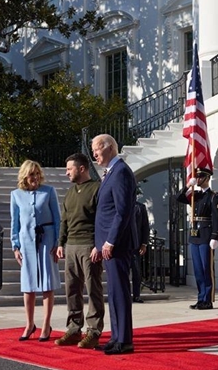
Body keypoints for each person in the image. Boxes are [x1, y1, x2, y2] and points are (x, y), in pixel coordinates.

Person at [90, 134, 138, 355]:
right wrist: (99, 244)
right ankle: (117, 337)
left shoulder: (121, 173)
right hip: (108, 245)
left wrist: (110, 241)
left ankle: (124, 340)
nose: (94, 154)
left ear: (108, 148)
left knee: (120, 292)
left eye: (96, 150)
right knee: (114, 293)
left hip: (117, 245)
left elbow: (122, 211)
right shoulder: (111, 173)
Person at [55, 153, 104, 349]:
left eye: (69, 169)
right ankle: (74, 329)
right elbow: (64, 220)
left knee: (93, 289)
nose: (66, 173)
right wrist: (61, 243)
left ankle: (94, 331)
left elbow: (102, 220)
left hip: (88, 245)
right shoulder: (69, 193)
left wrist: (98, 245)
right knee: (72, 290)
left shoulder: (97, 189)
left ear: (82, 168)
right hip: (71, 246)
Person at [10, 160, 61, 342]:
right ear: (25, 175)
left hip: (47, 240)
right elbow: (14, 223)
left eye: (37, 173)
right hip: (26, 242)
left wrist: (57, 242)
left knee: (47, 283)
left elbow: (57, 219)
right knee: (28, 285)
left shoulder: (49, 192)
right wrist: (15, 246)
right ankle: (29, 324)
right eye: (32, 174)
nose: (35, 177)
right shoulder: (16, 195)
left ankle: (46, 325)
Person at [176, 168, 218, 310]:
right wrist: (188, 185)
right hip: (195, 236)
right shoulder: (195, 195)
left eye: (201, 177)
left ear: (207, 178)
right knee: (197, 270)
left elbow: (217, 218)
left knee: (206, 268)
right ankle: (201, 298)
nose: (198, 179)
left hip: (206, 236)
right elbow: (179, 197)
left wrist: (215, 236)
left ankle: (208, 299)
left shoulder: (214, 196)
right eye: (197, 177)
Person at [130, 194, 150, 303]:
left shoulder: (140, 207)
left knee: (137, 272)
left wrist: (144, 244)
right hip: (122, 246)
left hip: (135, 246)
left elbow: (145, 227)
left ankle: (136, 295)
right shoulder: (119, 206)